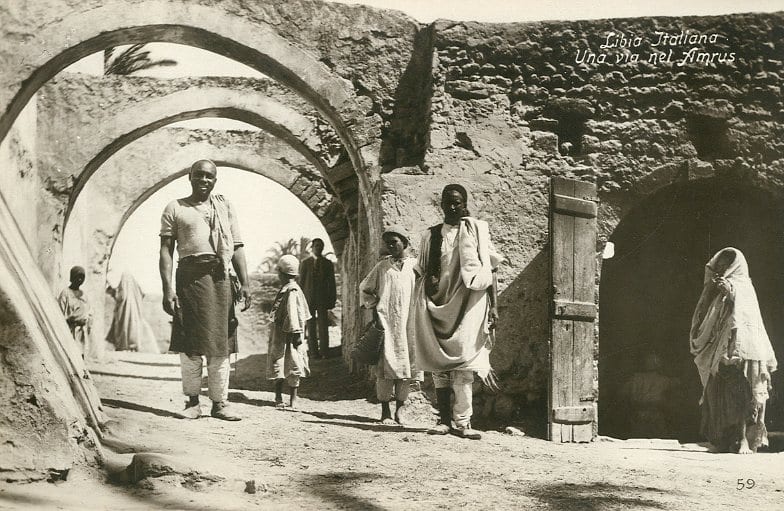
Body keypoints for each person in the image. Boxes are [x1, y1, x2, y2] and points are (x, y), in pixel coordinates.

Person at [159, 159, 251, 421]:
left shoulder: (225, 207)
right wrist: (168, 289)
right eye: (198, 175)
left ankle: (220, 403)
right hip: (189, 278)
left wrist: (245, 283)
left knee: (220, 342)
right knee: (190, 342)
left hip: (220, 278)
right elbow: (166, 251)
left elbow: (238, 246)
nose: (204, 180)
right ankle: (191, 402)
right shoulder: (175, 208)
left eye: (209, 176)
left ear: (215, 180)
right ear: (189, 177)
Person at [409, 184, 502, 440]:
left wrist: (494, 305)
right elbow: (421, 270)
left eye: (458, 202)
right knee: (439, 363)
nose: (453, 207)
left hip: (468, 303)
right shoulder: (430, 236)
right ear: (441, 204)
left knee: (464, 362)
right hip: (436, 304)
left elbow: (491, 270)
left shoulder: (476, 232)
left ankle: (463, 422)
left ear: (465, 204)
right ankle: (444, 420)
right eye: (448, 202)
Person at [690, 247, 777, 453]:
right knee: (716, 392)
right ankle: (723, 440)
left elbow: (746, 318)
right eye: (719, 264)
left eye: (725, 264)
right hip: (718, 349)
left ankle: (744, 440)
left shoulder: (744, 286)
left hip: (741, 349)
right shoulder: (716, 287)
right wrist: (715, 291)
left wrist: (730, 294)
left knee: (741, 394)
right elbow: (706, 315)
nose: (721, 268)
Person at [360, 226, 423, 425]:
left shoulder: (416, 266)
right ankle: (385, 410)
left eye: (394, 242)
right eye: (388, 243)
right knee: (385, 368)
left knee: (406, 367)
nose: (391, 246)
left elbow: (427, 288)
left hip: (410, 324)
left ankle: (400, 410)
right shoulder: (382, 267)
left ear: (404, 243)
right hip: (387, 322)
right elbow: (365, 289)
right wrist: (375, 308)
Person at [267, 254, 311, 410]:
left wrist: (296, 333)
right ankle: (284, 397)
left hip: (289, 334)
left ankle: (287, 398)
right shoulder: (291, 289)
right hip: (285, 332)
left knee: (288, 361)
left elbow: (293, 314)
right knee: (282, 361)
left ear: (281, 272)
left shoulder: (291, 291)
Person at [106, 272, 161, 354]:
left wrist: (111, 291)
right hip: (135, 312)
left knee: (125, 327)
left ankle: (125, 345)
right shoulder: (134, 287)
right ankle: (130, 346)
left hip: (125, 312)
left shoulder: (124, 287)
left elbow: (120, 297)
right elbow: (142, 294)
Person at [300, 238, 337, 358]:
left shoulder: (327, 263)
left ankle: (325, 352)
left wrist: (332, 299)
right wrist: (300, 299)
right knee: (310, 326)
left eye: (320, 246)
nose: (318, 248)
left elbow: (331, 283)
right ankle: (313, 353)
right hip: (309, 299)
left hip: (322, 299)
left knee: (323, 325)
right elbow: (301, 282)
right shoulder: (305, 263)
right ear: (312, 247)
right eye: (316, 246)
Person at [58, 265, 92, 357]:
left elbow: (89, 312)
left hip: (81, 333)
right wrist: (71, 320)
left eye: (82, 277)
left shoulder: (84, 295)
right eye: (78, 277)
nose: (80, 280)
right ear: (72, 277)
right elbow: (59, 315)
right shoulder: (65, 293)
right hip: (69, 331)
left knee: (80, 355)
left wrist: (87, 323)